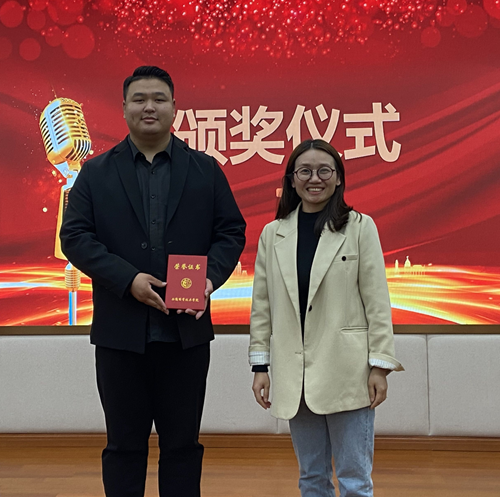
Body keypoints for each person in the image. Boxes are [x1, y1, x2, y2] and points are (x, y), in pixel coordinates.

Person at [60, 66, 246, 497]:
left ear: (174, 108)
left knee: (182, 446)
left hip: (185, 335)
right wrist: (128, 280)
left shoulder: (205, 170)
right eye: (139, 99)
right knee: (123, 446)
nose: (149, 107)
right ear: (124, 107)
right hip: (120, 334)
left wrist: (208, 280)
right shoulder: (96, 172)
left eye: (159, 99)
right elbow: (75, 237)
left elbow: (230, 232)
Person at [249, 139, 402, 497]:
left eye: (324, 171)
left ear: (338, 178)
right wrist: (260, 366)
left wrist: (380, 366)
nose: (314, 179)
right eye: (304, 171)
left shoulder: (360, 227)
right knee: (312, 478)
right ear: (291, 179)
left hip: (349, 371)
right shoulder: (273, 234)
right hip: (296, 375)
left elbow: (377, 302)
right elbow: (262, 306)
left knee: (354, 480)